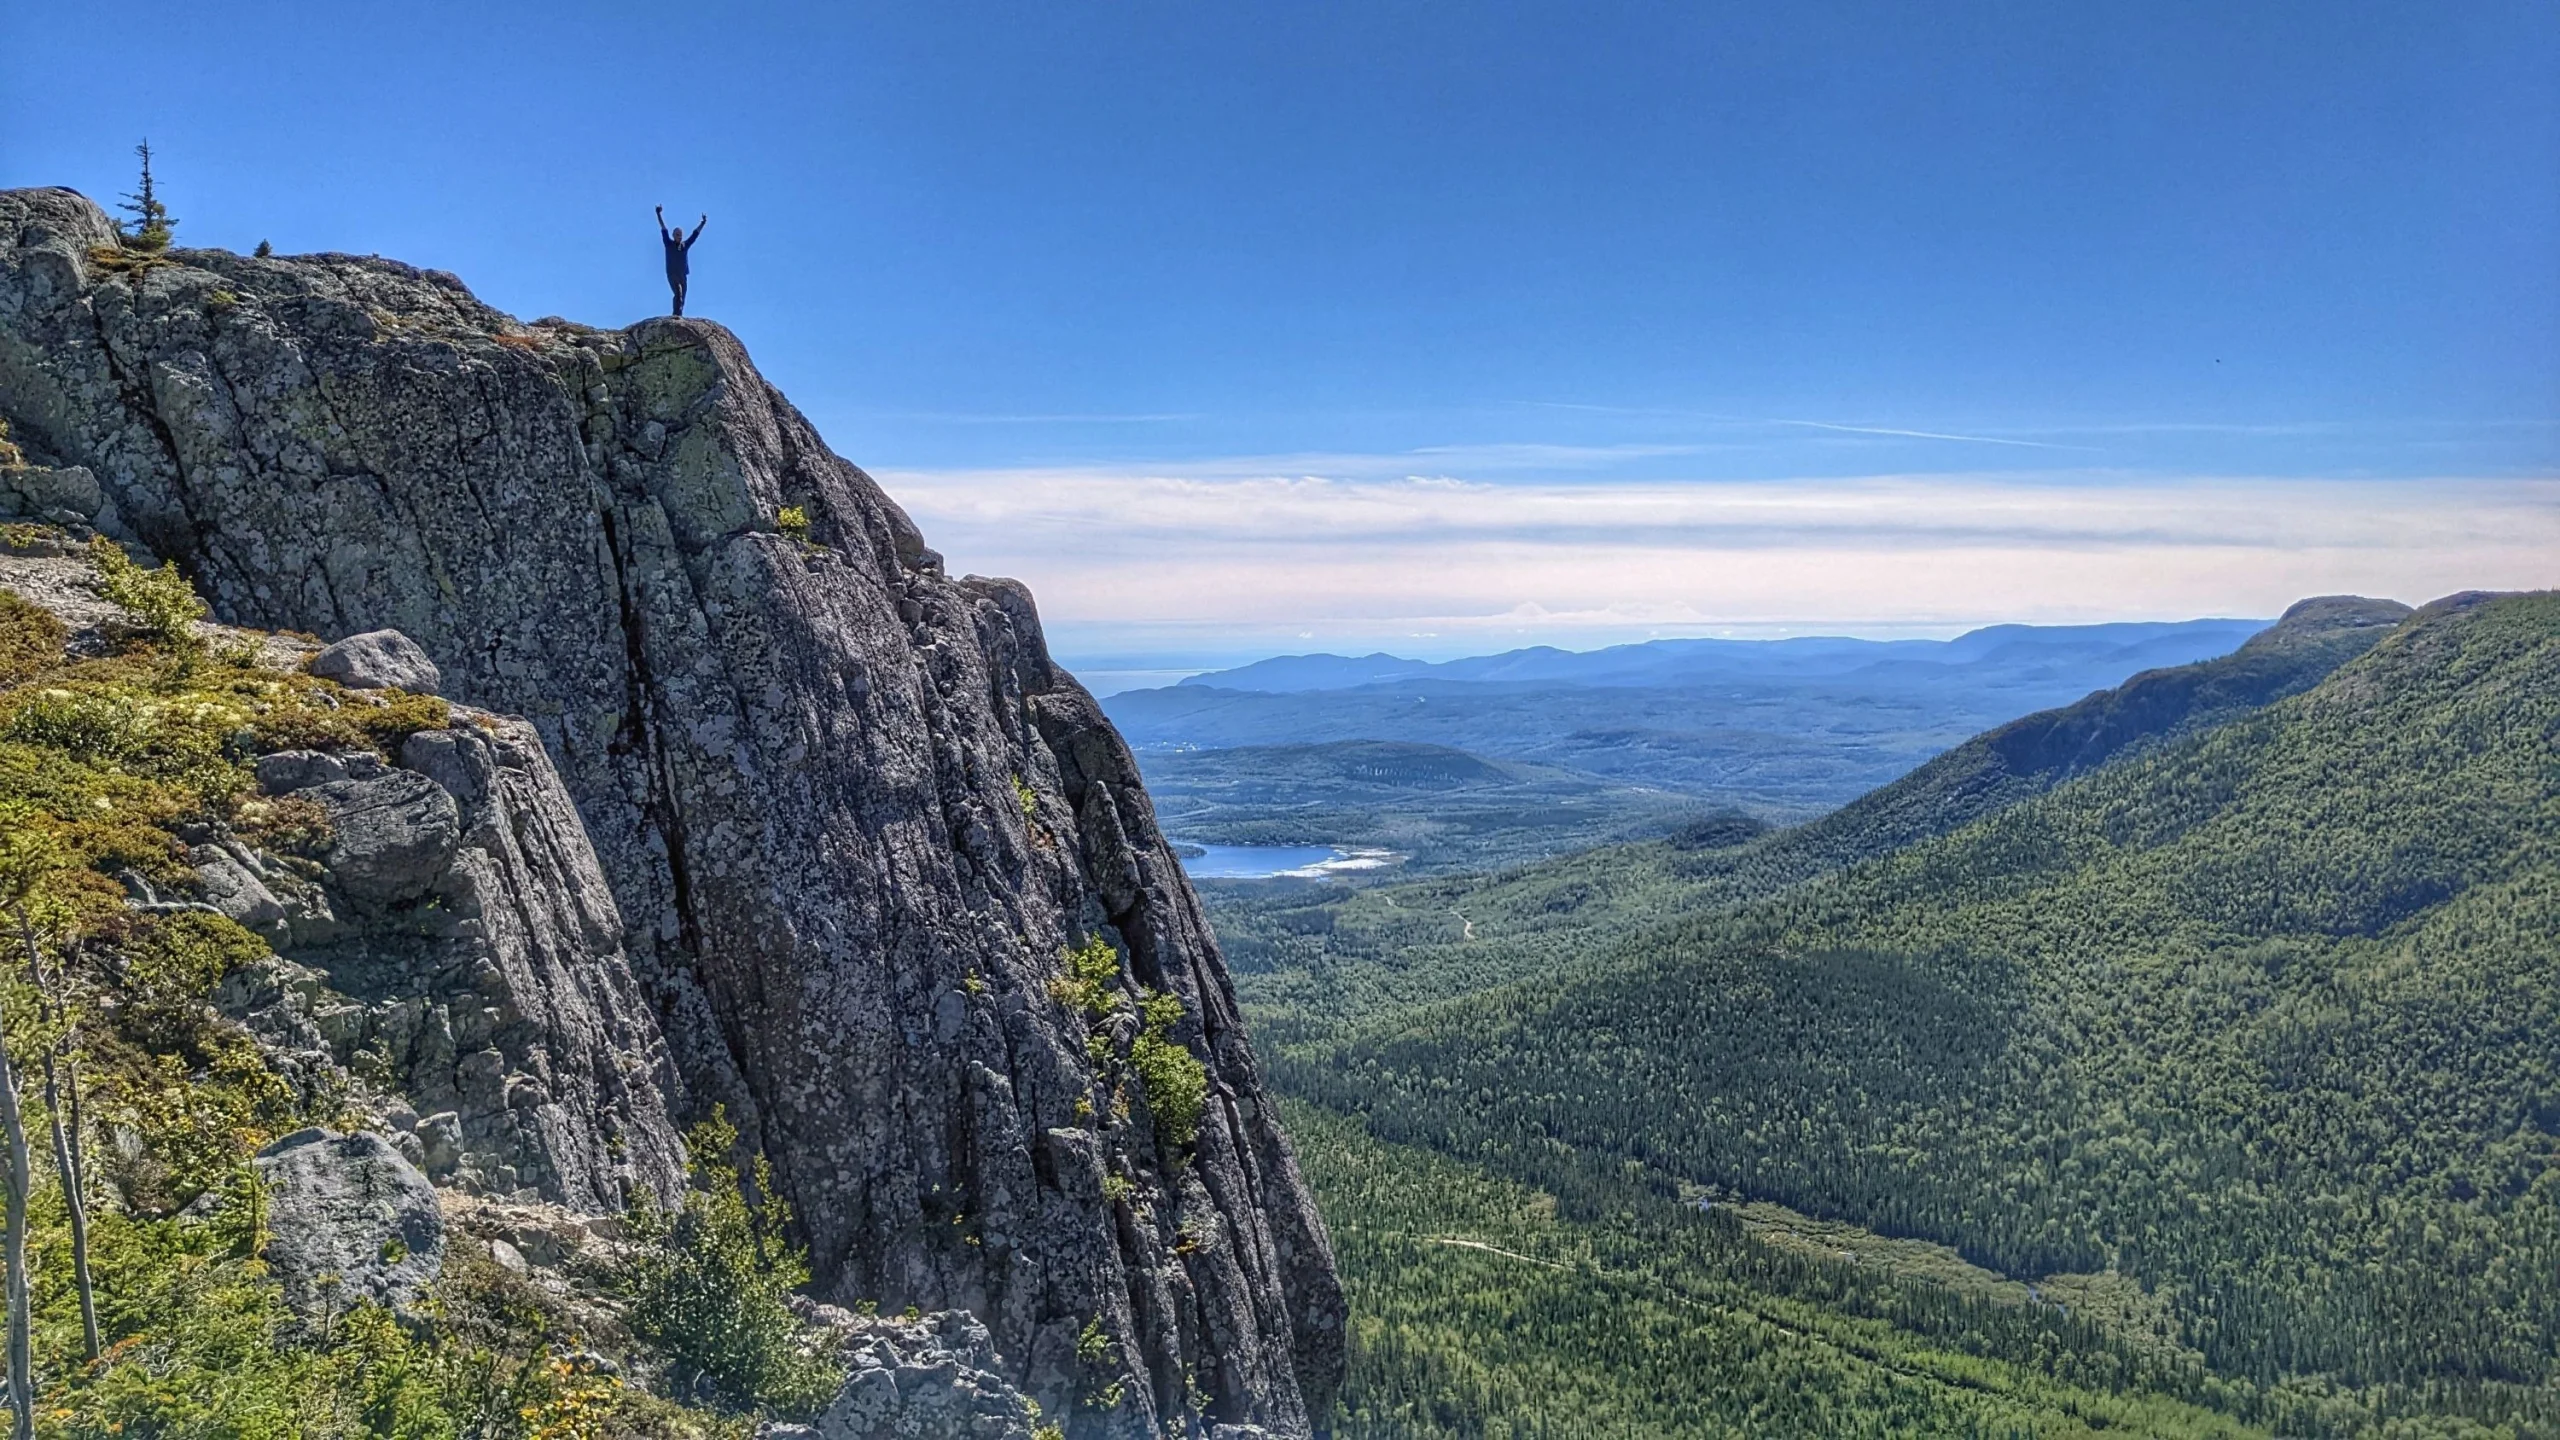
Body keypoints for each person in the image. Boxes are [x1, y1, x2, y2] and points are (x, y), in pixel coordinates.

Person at [656, 206, 708, 316]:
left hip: (683, 274)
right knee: (678, 294)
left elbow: (695, 235)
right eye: (677, 235)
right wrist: (658, 214)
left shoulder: (685, 245)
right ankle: (676, 316)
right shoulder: (668, 244)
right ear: (673, 235)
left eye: (680, 235)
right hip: (672, 273)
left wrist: (702, 223)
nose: (679, 237)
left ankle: (678, 315)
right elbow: (663, 227)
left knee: (682, 297)